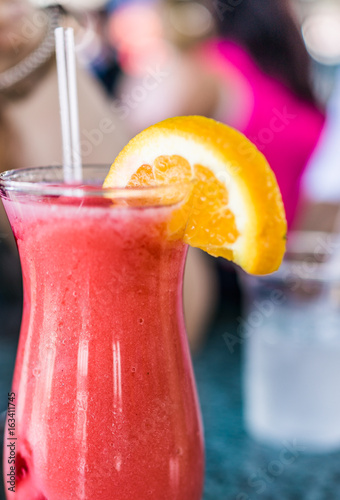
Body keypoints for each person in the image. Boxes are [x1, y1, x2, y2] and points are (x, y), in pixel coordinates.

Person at [113, 0, 325, 228]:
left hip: (224, 251)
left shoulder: (213, 68)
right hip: (275, 253)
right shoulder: (294, 88)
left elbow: (140, 144)